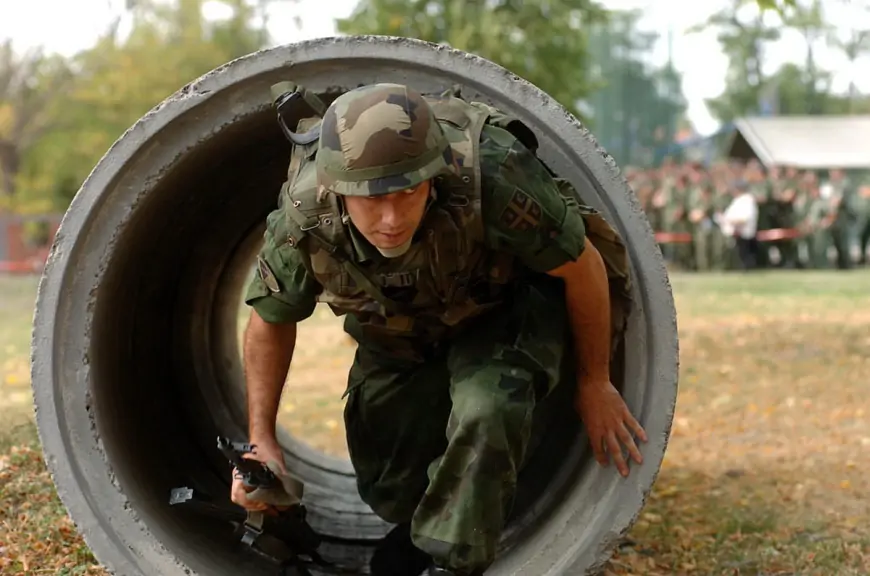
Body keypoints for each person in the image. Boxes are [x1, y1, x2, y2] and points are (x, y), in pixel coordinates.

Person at [230, 82, 646, 576]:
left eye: (407, 192)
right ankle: (420, 533)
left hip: (501, 311)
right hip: (399, 332)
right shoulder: (305, 216)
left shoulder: (490, 176)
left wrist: (594, 380)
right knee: (388, 481)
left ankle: (451, 563)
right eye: (371, 199)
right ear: (338, 190)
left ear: (435, 174)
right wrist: (263, 441)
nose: (390, 219)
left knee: (488, 408)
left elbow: (583, 266)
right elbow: (270, 319)